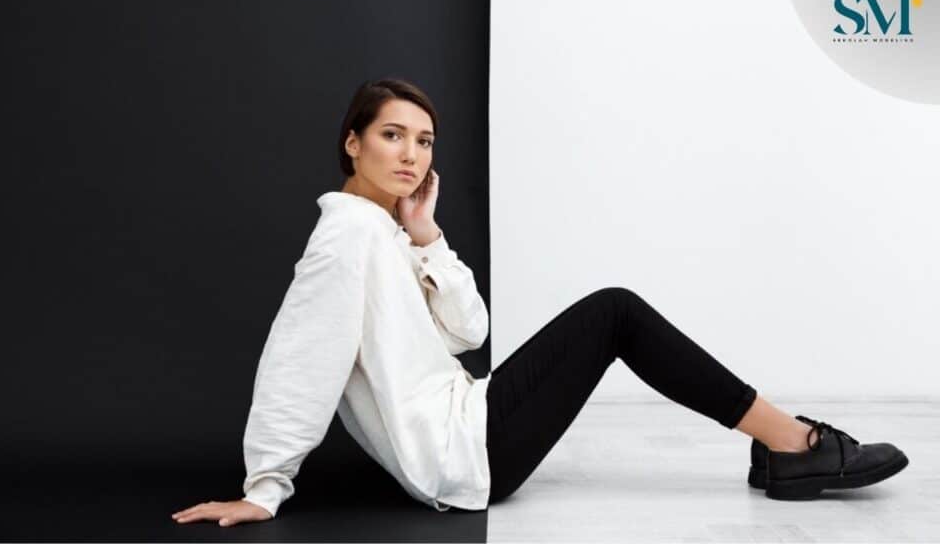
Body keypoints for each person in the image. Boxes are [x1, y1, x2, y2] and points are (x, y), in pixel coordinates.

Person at [171, 78, 908, 527]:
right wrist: (265, 486)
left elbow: (469, 333)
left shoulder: (387, 233)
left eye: (424, 141)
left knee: (615, 311)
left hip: (470, 424)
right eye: (391, 136)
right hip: (463, 453)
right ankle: (793, 445)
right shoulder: (346, 237)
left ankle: (784, 445)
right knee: (615, 311)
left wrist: (427, 238)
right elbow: (301, 359)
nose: (411, 155)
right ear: (351, 144)